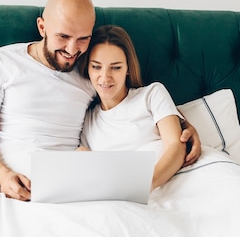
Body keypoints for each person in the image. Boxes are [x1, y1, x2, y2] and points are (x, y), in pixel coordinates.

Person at [0, 0, 200, 201]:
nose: (71, 50)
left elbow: (135, 97)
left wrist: (185, 126)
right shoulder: (1, 62)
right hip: (10, 180)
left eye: (83, 39)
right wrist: (3, 176)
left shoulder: (88, 71)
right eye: (63, 37)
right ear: (42, 27)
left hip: (68, 185)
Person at [79, 25, 185, 190]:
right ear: (87, 68)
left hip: (167, 184)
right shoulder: (87, 121)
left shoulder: (151, 95)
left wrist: (144, 185)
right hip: (120, 196)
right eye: (96, 66)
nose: (105, 77)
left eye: (116, 67)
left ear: (128, 68)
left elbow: (176, 146)